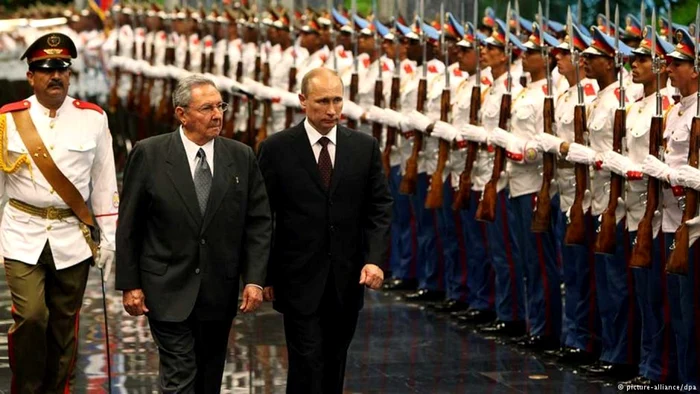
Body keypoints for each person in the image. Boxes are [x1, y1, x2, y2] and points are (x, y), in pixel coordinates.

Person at [115, 75, 272, 393]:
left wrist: (254, 279)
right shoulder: (150, 154)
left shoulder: (240, 156)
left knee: (209, 377)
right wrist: (130, 284)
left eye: (220, 106)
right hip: (166, 286)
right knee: (180, 373)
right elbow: (130, 224)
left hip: (219, 289)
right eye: (207, 108)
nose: (217, 115)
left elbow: (258, 223)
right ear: (181, 114)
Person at [257, 67, 392, 394]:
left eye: (337, 100)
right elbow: (262, 215)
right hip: (297, 278)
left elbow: (380, 207)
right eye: (322, 102)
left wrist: (374, 260)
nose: (332, 110)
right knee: (306, 362)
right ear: (303, 101)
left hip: (346, 279)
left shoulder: (363, 147)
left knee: (334, 361)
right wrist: (262, 275)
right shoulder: (277, 149)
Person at [0, 32, 118, 392]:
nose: (55, 76)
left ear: (69, 74)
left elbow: (104, 182)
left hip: (72, 237)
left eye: (62, 68)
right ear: (30, 76)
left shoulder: (93, 119)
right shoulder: (7, 119)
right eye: (45, 69)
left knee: (65, 325)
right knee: (33, 317)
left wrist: (110, 241)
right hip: (22, 233)